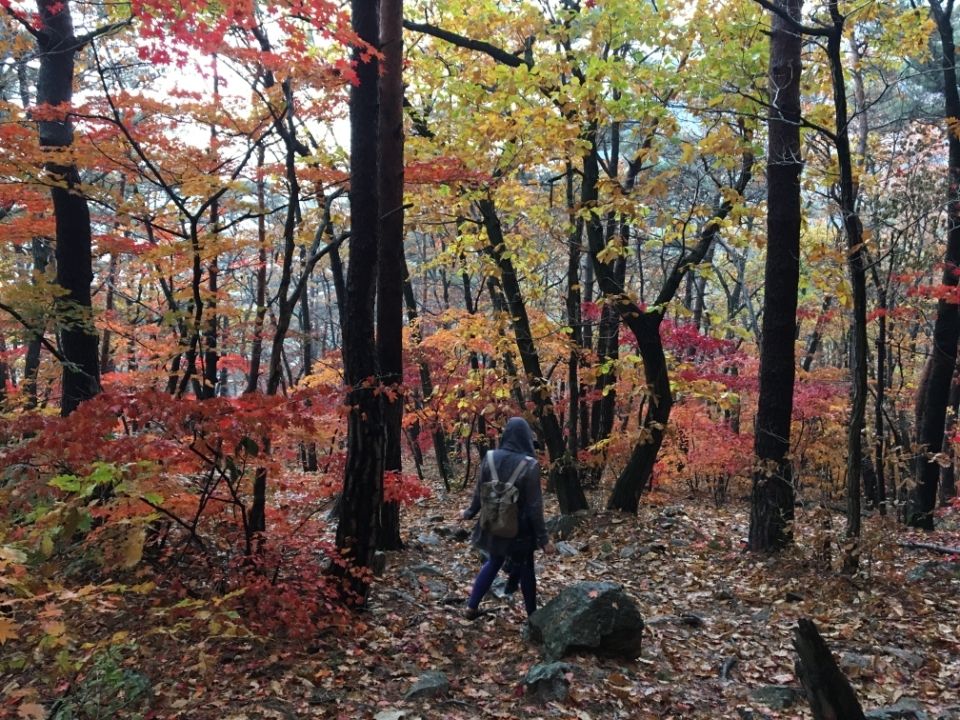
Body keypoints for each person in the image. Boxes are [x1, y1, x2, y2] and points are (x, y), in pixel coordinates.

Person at [460, 417, 554, 620]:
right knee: (527, 567)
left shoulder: (490, 457)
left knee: (494, 561)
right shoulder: (530, 465)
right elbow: (534, 506)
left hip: (492, 521)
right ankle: (532, 617)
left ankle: (471, 606)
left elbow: (479, 491)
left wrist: (470, 512)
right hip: (519, 529)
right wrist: (543, 539)